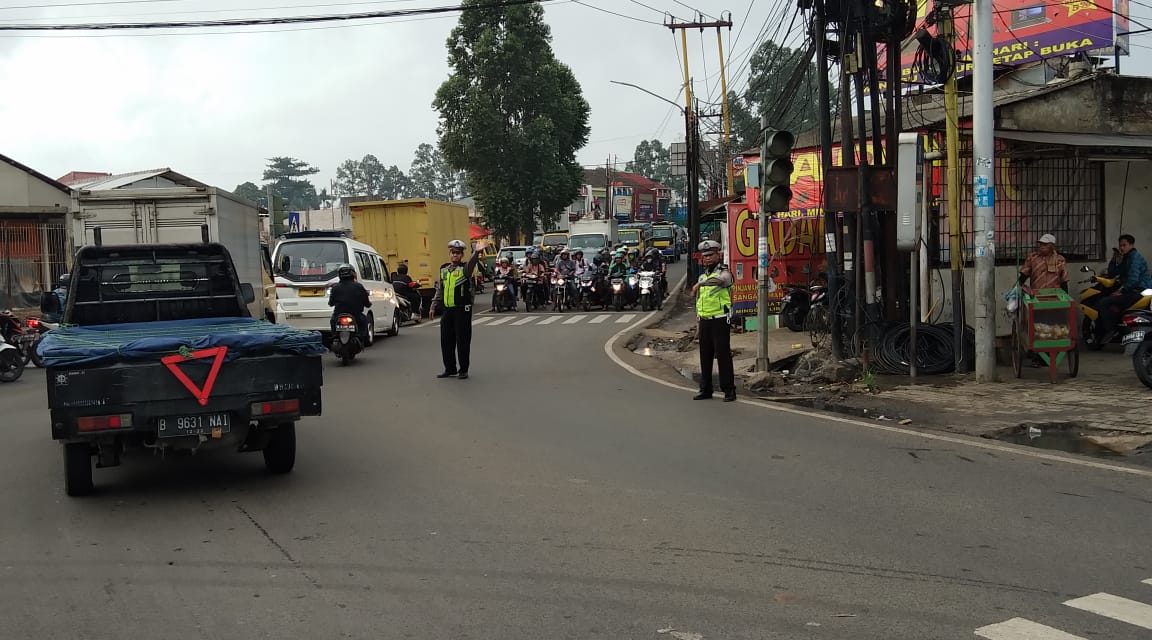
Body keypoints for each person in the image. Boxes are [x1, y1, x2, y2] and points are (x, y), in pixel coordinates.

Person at [430, 239, 485, 379]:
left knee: (462, 340)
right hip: (448, 310)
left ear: (462, 255)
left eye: (458, 253)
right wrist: (433, 305)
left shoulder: (465, 269)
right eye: (453, 253)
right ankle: (450, 368)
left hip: (462, 310)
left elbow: (472, 264)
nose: (455, 255)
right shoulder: (443, 269)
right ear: (450, 254)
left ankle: (463, 370)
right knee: (446, 340)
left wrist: (476, 252)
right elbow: (439, 290)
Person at [693, 240, 736, 402]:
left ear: (719, 255)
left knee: (723, 355)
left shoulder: (724, 273)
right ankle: (706, 389)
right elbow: (699, 301)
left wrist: (700, 284)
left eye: (711, 255)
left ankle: (729, 390)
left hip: (720, 320)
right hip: (705, 321)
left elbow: (721, 281)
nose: (708, 258)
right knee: (705, 355)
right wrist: (698, 322)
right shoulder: (703, 275)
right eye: (705, 256)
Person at [1096, 234, 1152, 345]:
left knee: (1103, 302)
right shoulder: (1127, 257)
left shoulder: (1134, 258)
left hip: (1137, 291)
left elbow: (1133, 279)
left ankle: (1111, 330)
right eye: (1120, 245)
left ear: (1131, 245)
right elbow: (1114, 272)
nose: (1122, 248)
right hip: (1133, 290)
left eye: (1124, 245)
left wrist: (1121, 290)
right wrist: (1114, 259)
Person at [328, 264, 371, 339]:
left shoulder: (335, 287)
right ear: (353, 274)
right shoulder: (359, 286)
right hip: (356, 315)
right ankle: (361, 338)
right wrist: (368, 304)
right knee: (364, 321)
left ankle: (335, 336)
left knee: (332, 321)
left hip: (338, 315)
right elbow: (367, 303)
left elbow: (331, 303)